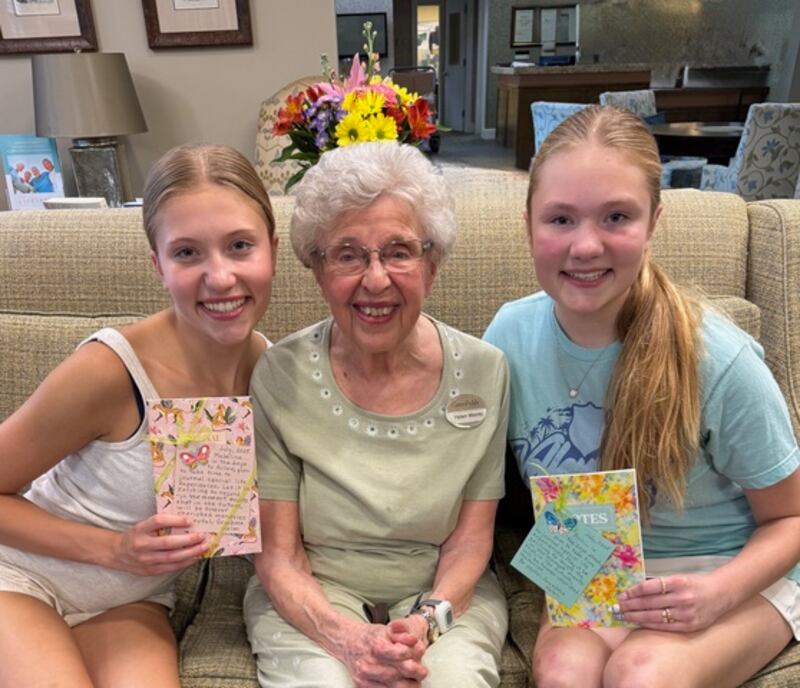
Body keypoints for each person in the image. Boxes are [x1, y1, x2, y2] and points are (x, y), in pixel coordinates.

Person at [484, 105, 800, 688]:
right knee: (562, 673)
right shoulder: (507, 335)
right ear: (528, 225)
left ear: (654, 222)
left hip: (728, 569)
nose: (585, 245)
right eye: (560, 219)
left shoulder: (717, 357)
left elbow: (792, 517)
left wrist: (719, 592)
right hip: (588, 555)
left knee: (641, 675)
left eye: (616, 217)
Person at [0, 143, 278, 687]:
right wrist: (115, 549)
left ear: (273, 248)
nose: (221, 277)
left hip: (132, 600)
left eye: (240, 246)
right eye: (187, 253)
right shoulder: (109, 370)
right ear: (158, 265)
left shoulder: (272, 372)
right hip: (20, 577)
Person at [244, 141, 509, 688]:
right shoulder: (279, 374)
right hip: (312, 594)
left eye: (399, 251)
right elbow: (279, 556)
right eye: (347, 254)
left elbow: (469, 543)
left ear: (432, 265)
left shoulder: (486, 371)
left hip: (444, 592)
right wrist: (346, 639)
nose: (376, 279)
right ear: (317, 269)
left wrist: (426, 623)